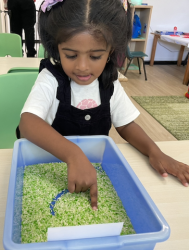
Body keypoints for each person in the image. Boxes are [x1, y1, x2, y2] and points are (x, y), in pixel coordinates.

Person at [17, 0, 189, 210]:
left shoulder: (109, 82)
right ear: (56, 48)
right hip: (52, 167)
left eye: (95, 56)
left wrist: (154, 151)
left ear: (111, 51)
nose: (82, 66)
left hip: (95, 171)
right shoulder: (51, 79)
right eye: (70, 55)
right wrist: (73, 154)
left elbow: (126, 125)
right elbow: (28, 123)